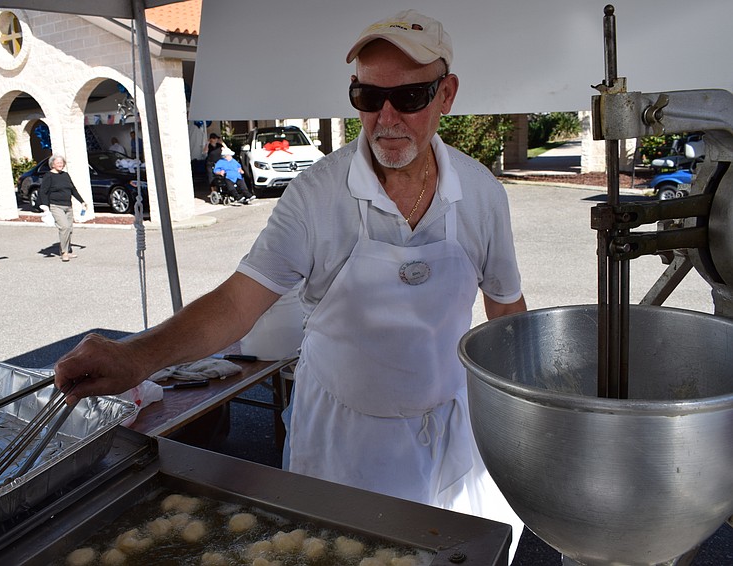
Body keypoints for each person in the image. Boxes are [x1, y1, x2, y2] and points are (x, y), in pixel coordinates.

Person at [54, 10, 527, 559]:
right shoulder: (316, 196)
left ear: (446, 94)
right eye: (368, 98)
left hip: (448, 430)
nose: (387, 118)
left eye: (411, 97)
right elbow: (237, 303)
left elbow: (507, 317)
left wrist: (528, 423)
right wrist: (137, 357)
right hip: (342, 441)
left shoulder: (482, 195)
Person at [38, 154, 88, 262]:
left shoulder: (65, 175)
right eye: (58, 163)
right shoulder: (49, 176)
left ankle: (67, 249)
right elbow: (43, 191)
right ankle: (64, 252)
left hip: (68, 206)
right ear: (52, 164)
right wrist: (45, 206)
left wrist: (82, 201)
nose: (60, 164)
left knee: (69, 229)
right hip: (56, 206)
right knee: (64, 227)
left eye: (61, 163)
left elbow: (73, 189)